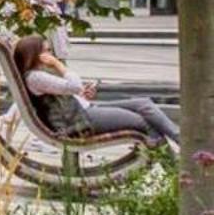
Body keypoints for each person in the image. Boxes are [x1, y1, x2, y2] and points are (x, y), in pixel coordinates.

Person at [12, 34, 177, 147]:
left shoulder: (38, 75)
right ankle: (173, 171)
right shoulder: (35, 77)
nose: (51, 54)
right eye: (47, 51)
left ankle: (181, 140)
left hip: (84, 110)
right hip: (79, 122)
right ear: (35, 55)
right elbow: (74, 85)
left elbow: (70, 91)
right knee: (144, 122)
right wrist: (58, 65)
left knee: (143, 104)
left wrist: (82, 94)